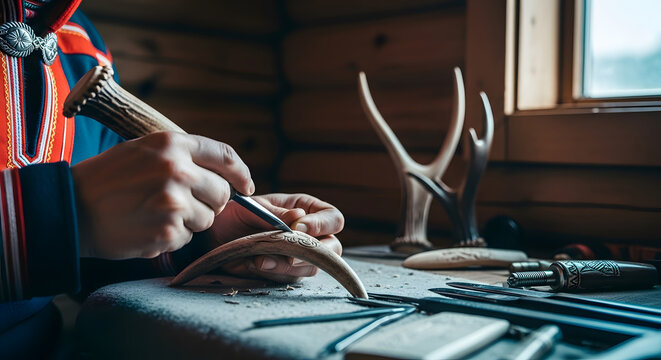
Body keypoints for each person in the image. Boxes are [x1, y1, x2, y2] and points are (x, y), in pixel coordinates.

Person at [0, 0, 344, 357]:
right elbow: (75, 226)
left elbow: (86, 258)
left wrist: (208, 238)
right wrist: (62, 215)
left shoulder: (80, 40)